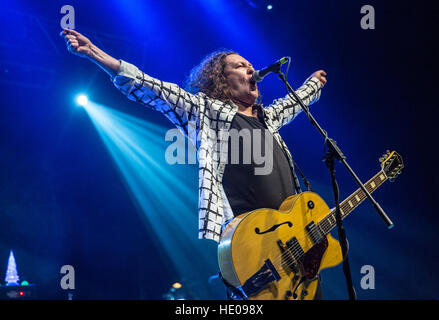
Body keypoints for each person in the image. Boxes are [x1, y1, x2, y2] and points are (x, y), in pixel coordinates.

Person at [61, 28, 327, 299]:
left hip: (292, 243)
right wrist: (95, 53)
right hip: (252, 244)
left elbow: (293, 103)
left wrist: (313, 84)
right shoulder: (204, 111)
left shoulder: (267, 118)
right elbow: (152, 87)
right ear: (221, 79)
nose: (251, 69)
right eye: (241, 66)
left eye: (251, 65)